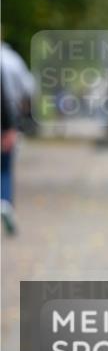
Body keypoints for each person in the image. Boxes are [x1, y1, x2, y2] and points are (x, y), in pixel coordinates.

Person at [1, 41, 33, 234]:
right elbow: (28, 89)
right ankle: (5, 203)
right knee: (4, 168)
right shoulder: (13, 60)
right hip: (7, 118)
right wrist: (9, 127)